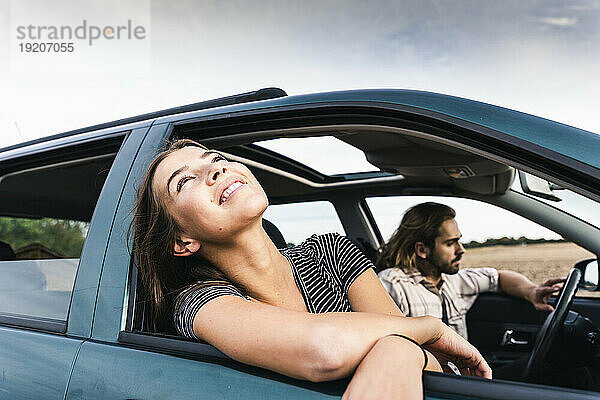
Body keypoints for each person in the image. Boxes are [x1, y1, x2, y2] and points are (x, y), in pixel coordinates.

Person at [131, 139, 492, 400]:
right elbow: (324, 350)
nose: (216, 169)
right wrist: (424, 330)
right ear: (182, 241)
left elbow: (429, 363)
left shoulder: (331, 252)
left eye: (215, 158)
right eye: (185, 181)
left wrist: (399, 349)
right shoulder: (199, 302)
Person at [376, 202, 564, 340]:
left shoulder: (454, 281)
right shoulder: (392, 285)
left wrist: (531, 291)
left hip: (465, 376)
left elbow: (498, 278)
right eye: (450, 243)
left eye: (459, 240)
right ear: (422, 250)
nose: (461, 249)